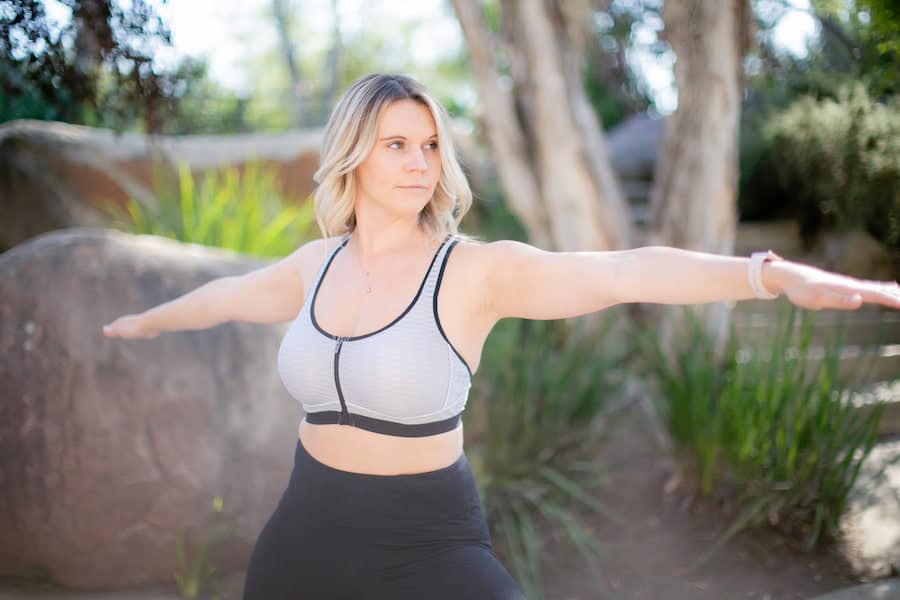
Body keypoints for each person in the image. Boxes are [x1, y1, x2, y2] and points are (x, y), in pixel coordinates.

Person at [102, 73, 900, 599]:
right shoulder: (314, 264)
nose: (421, 162)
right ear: (352, 156)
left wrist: (767, 274)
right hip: (306, 524)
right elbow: (231, 297)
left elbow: (618, 272)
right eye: (397, 144)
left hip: (430, 538)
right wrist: (146, 318)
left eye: (431, 144)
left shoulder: (474, 270)